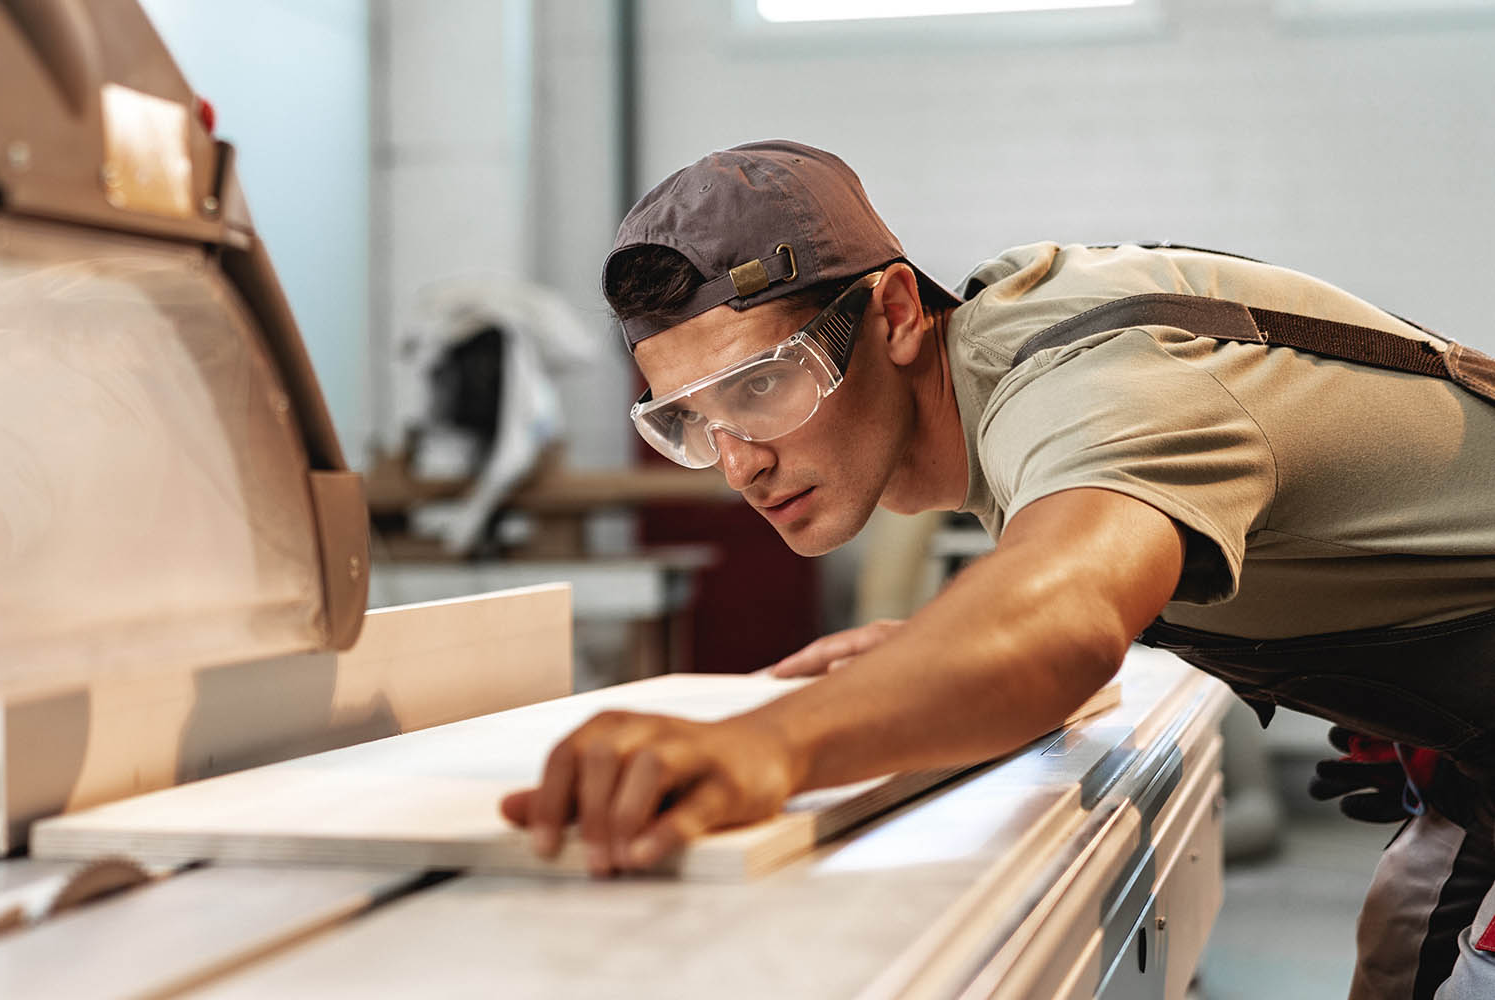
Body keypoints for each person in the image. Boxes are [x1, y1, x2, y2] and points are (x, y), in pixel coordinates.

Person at [496, 139, 1495, 999]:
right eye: (690, 422)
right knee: (1404, 944)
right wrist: (936, 660)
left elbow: (1062, 618)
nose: (738, 463)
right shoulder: (998, 356)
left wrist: (769, 745)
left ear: (894, 312)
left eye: (761, 385)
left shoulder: (1094, 379)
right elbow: (1061, 585)